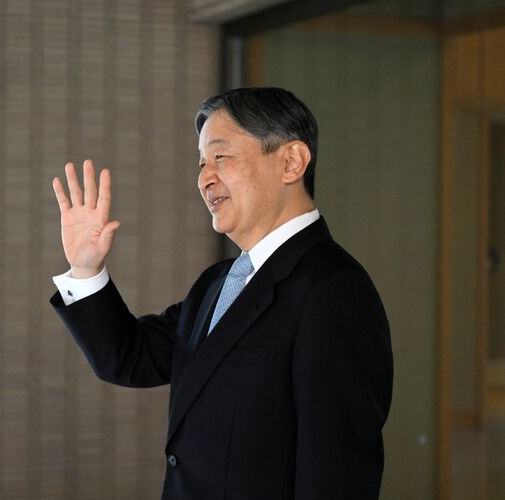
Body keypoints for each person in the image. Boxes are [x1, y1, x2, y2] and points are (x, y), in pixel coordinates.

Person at [50, 87, 393, 500]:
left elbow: (336, 474)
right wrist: (86, 269)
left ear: (291, 162)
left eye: (221, 157)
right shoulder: (218, 283)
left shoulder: (334, 290)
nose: (204, 178)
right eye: (201, 162)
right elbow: (130, 358)